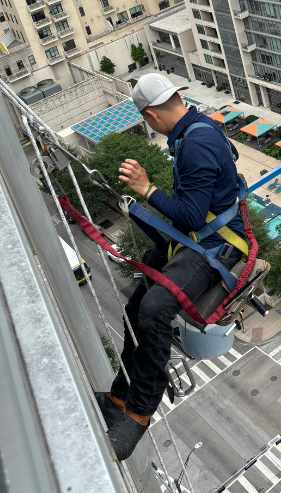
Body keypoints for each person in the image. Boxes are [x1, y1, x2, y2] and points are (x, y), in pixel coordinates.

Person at [95, 73, 246, 460]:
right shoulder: (195, 130)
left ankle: (140, 412)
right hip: (201, 241)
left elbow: (194, 217)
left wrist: (147, 189)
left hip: (217, 248)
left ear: (149, 116)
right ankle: (119, 397)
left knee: (155, 308)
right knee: (133, 309)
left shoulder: (195, 143)